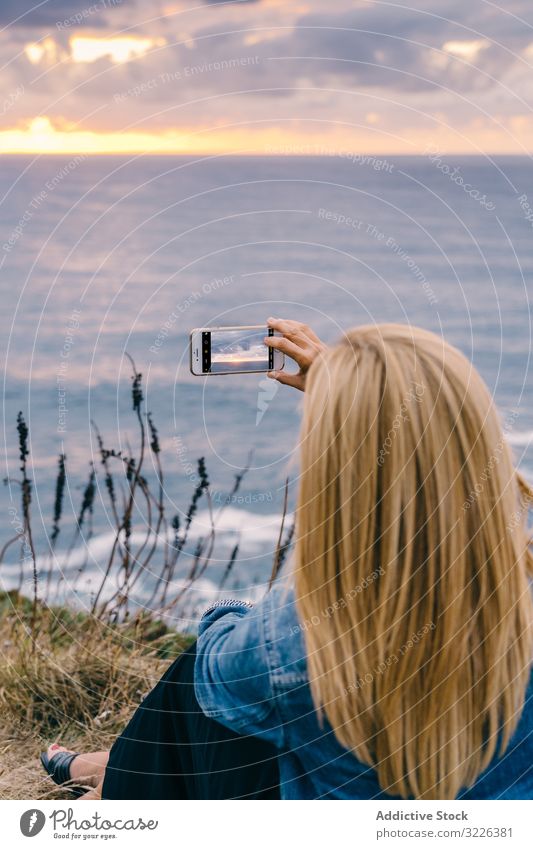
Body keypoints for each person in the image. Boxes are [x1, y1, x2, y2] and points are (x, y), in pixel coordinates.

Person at [41, 319, 533, 800]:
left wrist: (234, 614)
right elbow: (456, 467)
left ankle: (117, 788)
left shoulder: (298, 641)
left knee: (209, 693)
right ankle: (121, 770)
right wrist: (376, 405)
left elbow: (215, 668)